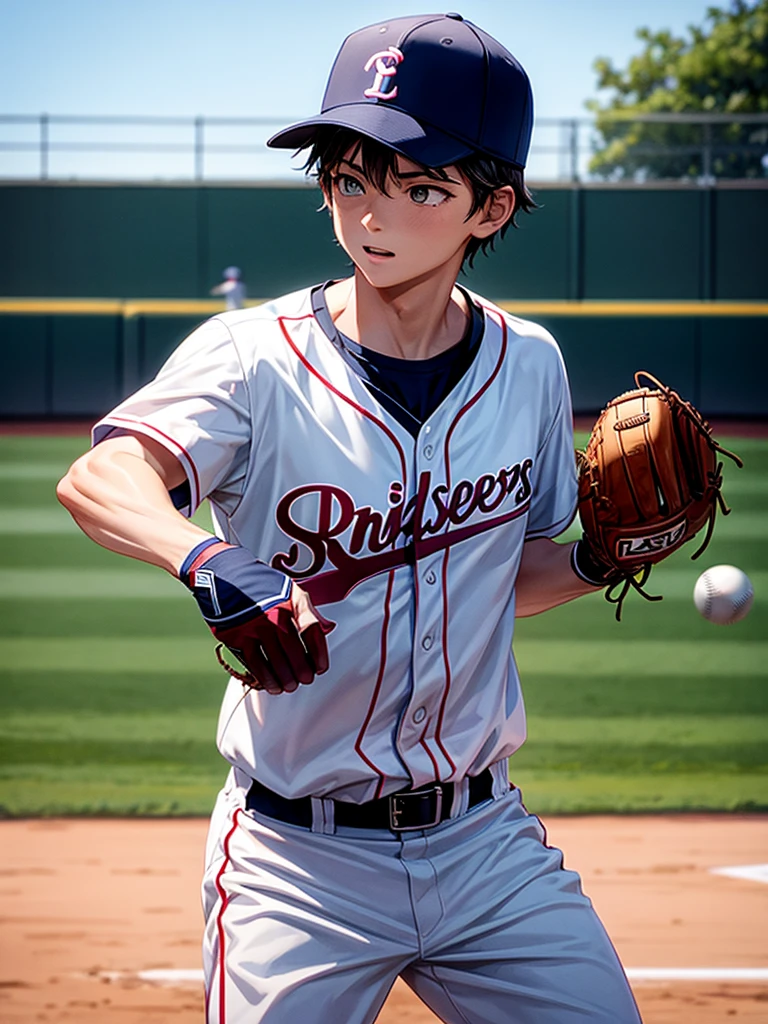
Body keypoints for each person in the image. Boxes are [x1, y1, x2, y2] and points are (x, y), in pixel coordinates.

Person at [57, 13, 642, 1024]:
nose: (374, 215)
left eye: (420, 187)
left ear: (491, 209)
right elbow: (103, 478)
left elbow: (511, 574)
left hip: (485, 843)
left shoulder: (530, 364)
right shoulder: (251, 355)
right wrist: (205, 558)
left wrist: (599, 553)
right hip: (297, 859)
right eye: (350, 178)